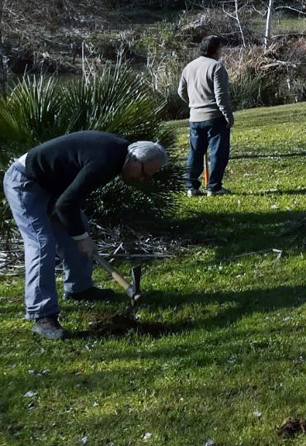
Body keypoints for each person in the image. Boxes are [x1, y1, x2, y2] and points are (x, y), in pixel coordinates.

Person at [3, 133, 167, 339]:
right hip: (26, 181)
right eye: (144, 173)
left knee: (80, 226)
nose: (144, 179)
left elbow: (72, 196)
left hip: (52, 187)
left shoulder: (118, 158)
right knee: (40, 243)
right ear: (134, 159)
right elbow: (66, 204)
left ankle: (79, 288)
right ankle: (42, 316)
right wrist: (81, 238)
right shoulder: (106, 160)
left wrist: (79, 233)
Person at [178, 35, 234, 197]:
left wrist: (194, 103)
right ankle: (214, 187)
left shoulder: (189, 67)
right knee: (218, 153)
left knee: (195, 153)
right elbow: (221, 96)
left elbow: (181, 91)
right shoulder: (216, 67)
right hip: (215, 117)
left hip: (195, 117)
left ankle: (191, 186)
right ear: (216, 49)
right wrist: (228, 116)